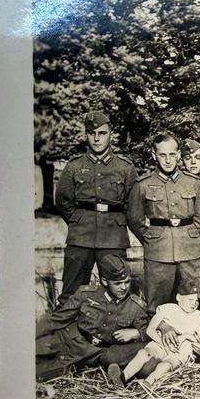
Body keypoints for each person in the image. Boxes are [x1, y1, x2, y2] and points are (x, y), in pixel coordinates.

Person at [54, 108, 137, 300]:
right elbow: (63, 200)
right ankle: (67, 329)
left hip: (113, 237)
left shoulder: (125, 167)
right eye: (92, 134)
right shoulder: (74, 165)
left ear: (111, 135)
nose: (97, 139)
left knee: (119, 290)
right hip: (80, 237)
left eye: (102, 133)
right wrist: (79, 220)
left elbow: (132, 204)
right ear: (86, 135)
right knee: (71, 293)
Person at [127, 131, 200, 314]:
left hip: (189, 249)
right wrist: (151, 237)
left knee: (198, 297)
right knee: (157, 303)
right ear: (154, 155)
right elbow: (134, 219)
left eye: (172, 154)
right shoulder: (143, 184)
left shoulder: (192, 182)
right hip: (158, 251)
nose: (168, 160)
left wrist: (189, 235)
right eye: (163, 155)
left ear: (179, 155)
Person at [35, 254, 147, 383]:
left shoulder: (135, 306)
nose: (124, 287)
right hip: (67, 339)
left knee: (38, 374)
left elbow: (149, 333)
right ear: (105, 281)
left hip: (93, 353)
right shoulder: (86, 294)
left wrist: (138, 333)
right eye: (118, 283)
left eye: (127, 282)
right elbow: (56, 320)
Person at [123, 279, 200, 385]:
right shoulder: (167, 309)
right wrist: (162, 343)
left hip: (180, 351)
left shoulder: (198, 316)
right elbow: (150, 330)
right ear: (179, 297)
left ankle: (146, 385)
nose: (194, 304)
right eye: (190, 300)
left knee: (164, 366)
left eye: (196, 301)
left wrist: (186, 336)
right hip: (161, 343)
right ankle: (122, 378)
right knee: (143, 353)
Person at [180, 137, 200, 280]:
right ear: (181, 160)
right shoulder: (177, 183)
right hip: (182, 241)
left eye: (197, 157)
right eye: (188, 158)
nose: (193, 162)